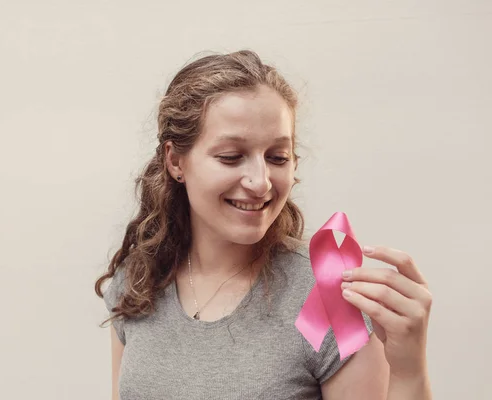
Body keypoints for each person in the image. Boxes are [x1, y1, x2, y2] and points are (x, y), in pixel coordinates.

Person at [95, 50, 433, 400]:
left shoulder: (329, 294)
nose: (261, 182)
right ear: (175, 160)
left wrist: (410, 371)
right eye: (231, 156)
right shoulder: (139, 280)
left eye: (278, 158)